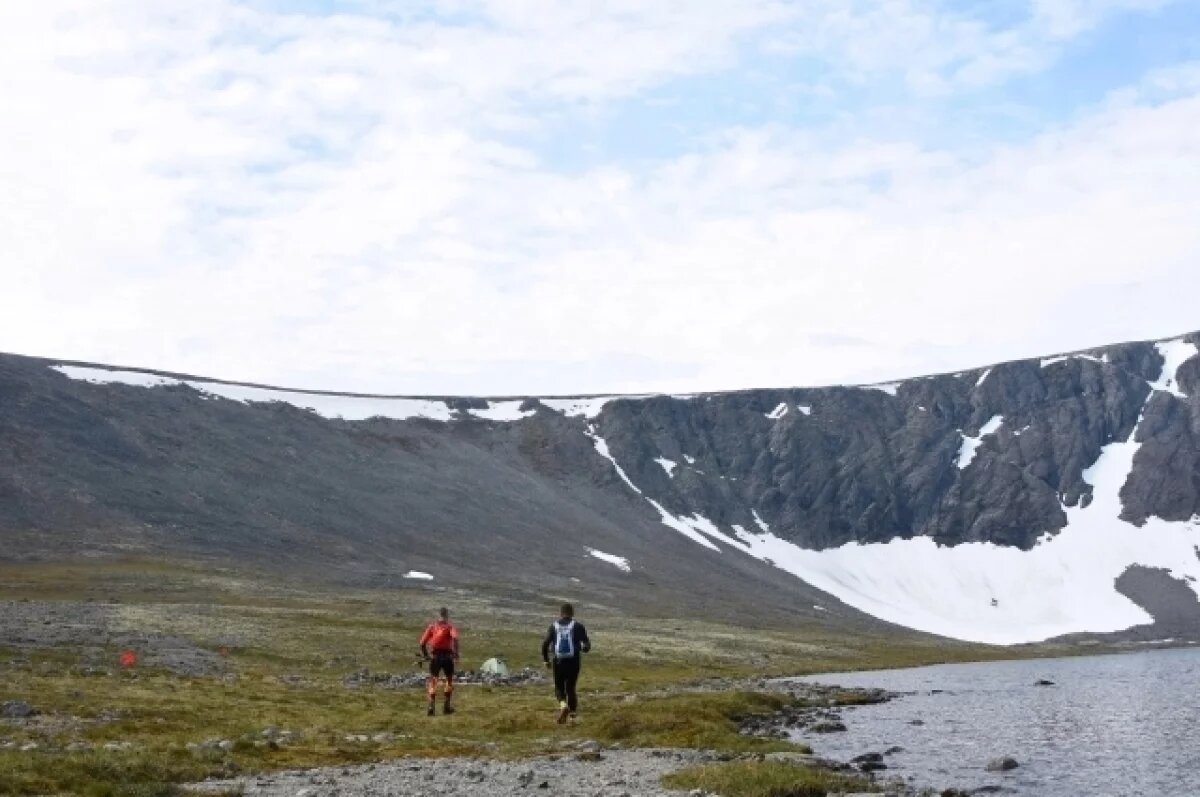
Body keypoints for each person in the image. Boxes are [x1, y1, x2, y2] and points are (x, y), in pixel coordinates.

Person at [541, 602, 590, 724]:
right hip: (573, 661)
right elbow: (587, 645)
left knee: (559, 687)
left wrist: (546, 660)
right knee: (571, 688)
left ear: (560, 613)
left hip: (559, 661)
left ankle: (563, 706)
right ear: (572, 613)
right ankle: (573, 717)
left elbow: (545, 644)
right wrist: (583, 648)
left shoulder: (553, 626)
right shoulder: (578, 626)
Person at [419, 607, 459, 716]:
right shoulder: (450, 627)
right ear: (446, 615)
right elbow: (455, 638)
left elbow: (422, 643)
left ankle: (431, 706)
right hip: (447, 657)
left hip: (435, 657)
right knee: (449, 680)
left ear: (438, 615)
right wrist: (456, 653)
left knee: (433, 681)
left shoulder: (432, 627)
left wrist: (426, 655)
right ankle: (446, 706)